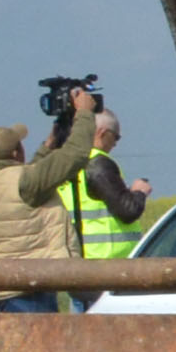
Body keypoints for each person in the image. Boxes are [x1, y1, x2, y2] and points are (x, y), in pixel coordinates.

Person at [0, 103, 103, 311]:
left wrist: (47, 148)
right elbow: (75, 155)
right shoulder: (26, 183)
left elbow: (24, 180)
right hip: (28, 292)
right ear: (14, 153)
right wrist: (84, 113)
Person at [46, 83, 155, 300]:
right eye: (116, 137)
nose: (115, 144)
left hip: (77, 264)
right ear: (103, 132)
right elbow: (127, 210)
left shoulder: (64, 163)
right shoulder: (98, 163)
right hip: (108, 266)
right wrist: (139, 192)